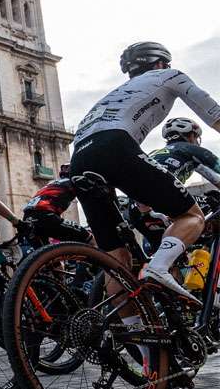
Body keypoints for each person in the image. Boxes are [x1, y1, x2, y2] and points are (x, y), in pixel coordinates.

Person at [71, 41, 220, 305]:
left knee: (117, 260)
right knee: (190, 215)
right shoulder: (169, 75)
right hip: (113, 144)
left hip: (80, 157)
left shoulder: (114, 93)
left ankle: (140, 342)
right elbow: (214, 115)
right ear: (161, 63)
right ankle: (159, 266)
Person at [130, 117, 220, 249]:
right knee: (214, 204)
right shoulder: (188, 148)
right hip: (163, 196)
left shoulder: (155, 153)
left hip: (135, 208)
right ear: (191, 135)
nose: (196, 141)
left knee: (169, 258)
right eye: (196, 137)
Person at [22, 163, 94, 245]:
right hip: (45, 216)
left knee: (45, 254)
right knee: (90, 239)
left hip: (27, 218)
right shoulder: (74, 182)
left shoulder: (52, 183)